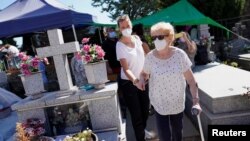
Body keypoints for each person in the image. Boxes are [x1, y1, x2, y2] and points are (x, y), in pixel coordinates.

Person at [138, 22, 202, 141]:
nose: (156, 40)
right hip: (159, 102)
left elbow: (191, 80)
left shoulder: (180, 55)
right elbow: (144, 73)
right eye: (154, 37)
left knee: (177, 134)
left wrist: (196, 101)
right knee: (164, 136)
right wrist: (142, 79)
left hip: (177, 102)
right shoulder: (150, 57)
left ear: (170, 37)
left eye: (160, 37)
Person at [116, 15, 154, 141]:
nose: (126, 28)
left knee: (145, 109)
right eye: (123, 27)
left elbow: (144, 57)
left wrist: (145, 73)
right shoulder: (120, 45)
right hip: (129, 83)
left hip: (143, 79)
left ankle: (142, 131)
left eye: (128, 26)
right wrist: (136, 81)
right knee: (136, 114)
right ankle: (140, 137)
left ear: (131, 25)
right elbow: (126, 69)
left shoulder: (137, 38)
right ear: (119, 29)